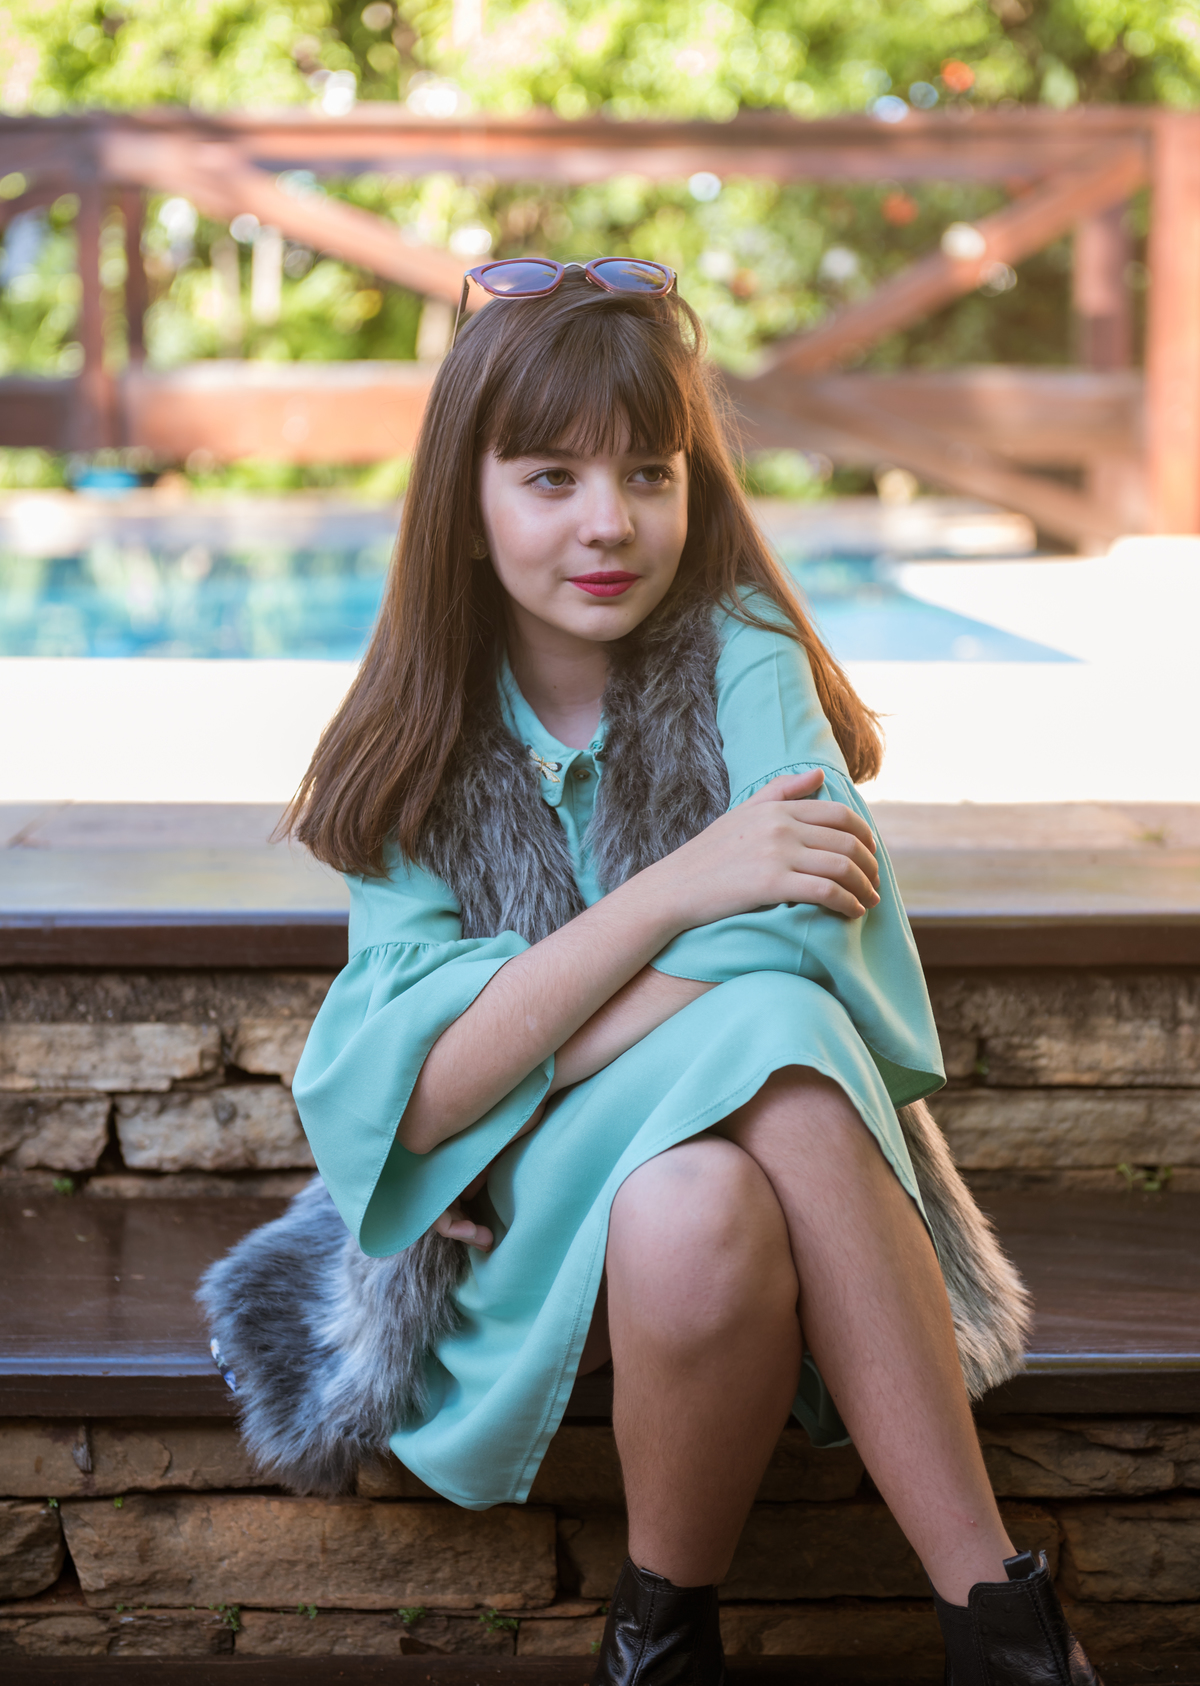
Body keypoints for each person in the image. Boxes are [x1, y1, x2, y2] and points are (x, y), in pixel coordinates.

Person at [273, 262, 1102, 1685]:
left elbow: (808, 940)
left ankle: (658, 1646)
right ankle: (1008, 1632)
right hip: (517, 1236)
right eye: (551, 477)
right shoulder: (415, 737)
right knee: (765, 1025)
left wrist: (515, 1056)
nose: (609, 521)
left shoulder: (743, 654)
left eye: (648, 473)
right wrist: (686, 883)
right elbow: (410, 1094)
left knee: (704, 1173)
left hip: (736, 1213)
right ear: (464, 508)